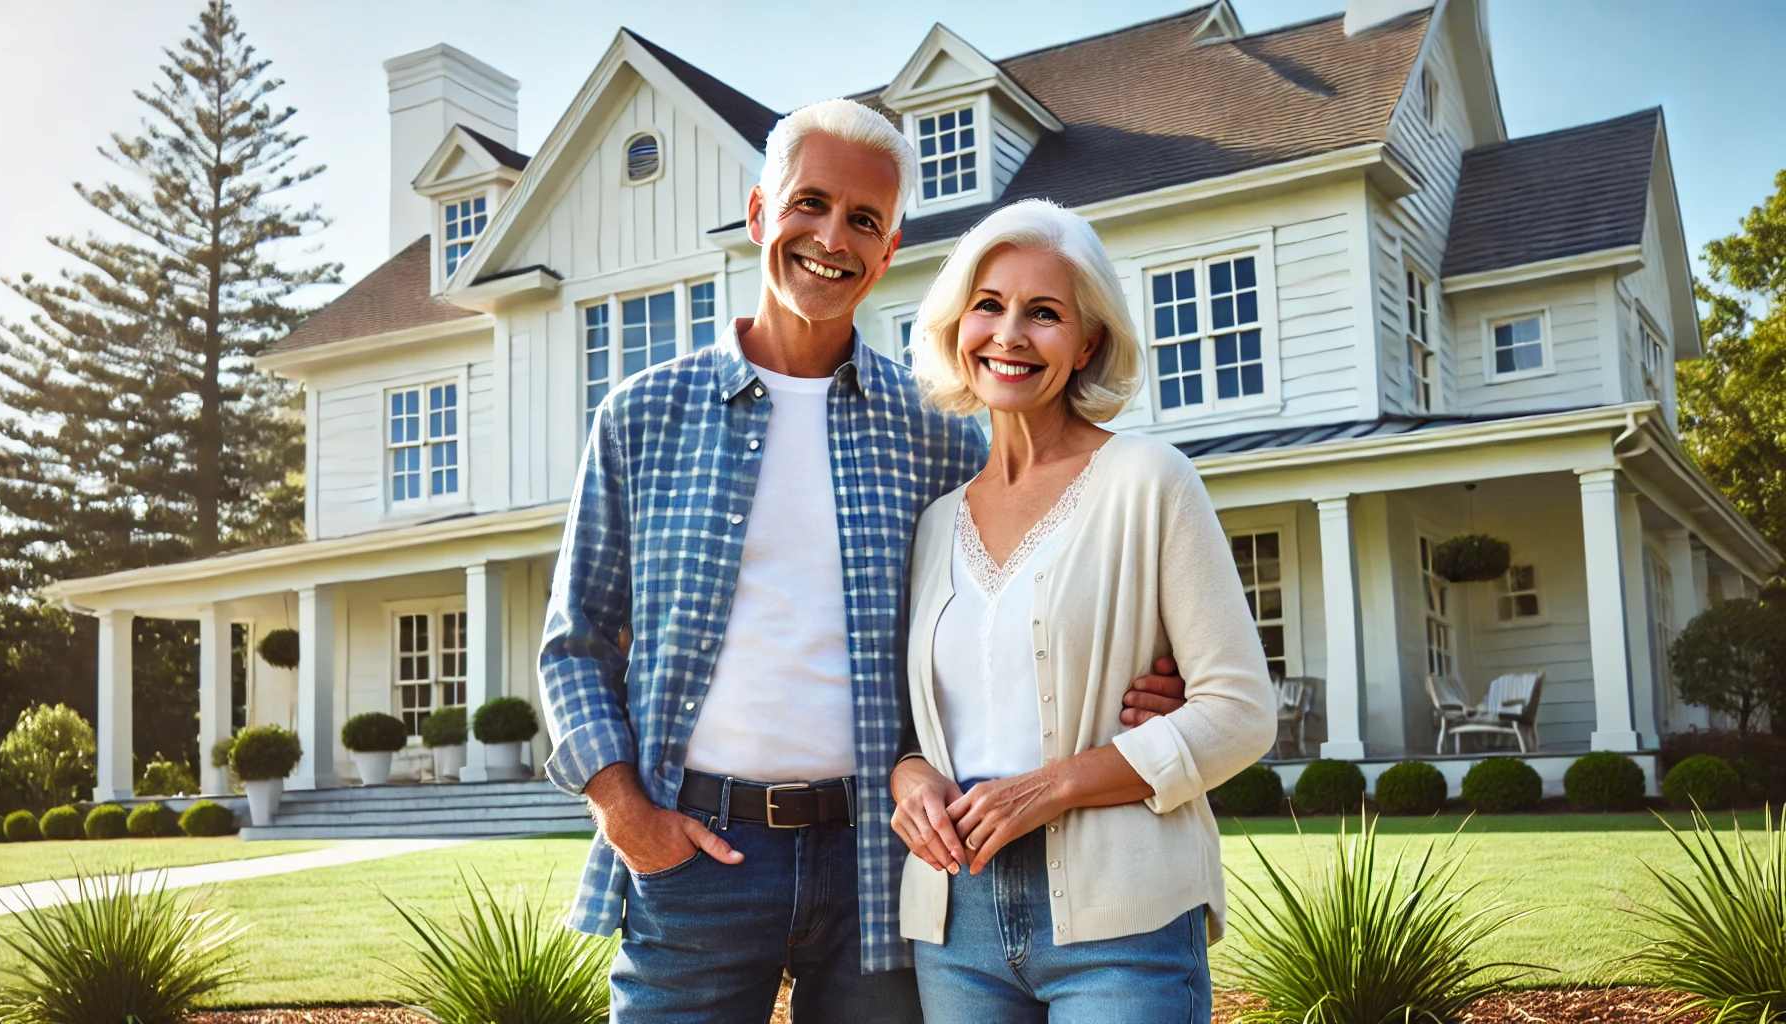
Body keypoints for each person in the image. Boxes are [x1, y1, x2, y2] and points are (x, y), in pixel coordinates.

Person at [538, 101, 1188, 1024]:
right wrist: (626, 815)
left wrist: (1145, 683)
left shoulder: (937, 430)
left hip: (885, 861)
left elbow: (1010, 593)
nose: (831, 237)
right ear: (760, 213)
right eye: (810, 204)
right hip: (696, 853)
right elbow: (576, 643)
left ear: (887, 255)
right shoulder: (643, 416)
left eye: (864, 221)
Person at [890, 200, 1278, 1024]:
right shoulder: (933, 525)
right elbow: (925, 727)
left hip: (1122, 918)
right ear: (959, 324)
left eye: (1044, 314)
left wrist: (1055, 787)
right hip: (953, 923)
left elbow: (1241, 713)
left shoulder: (1150, 481)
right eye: (989, 306)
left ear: (1088, 342)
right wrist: (910, 773)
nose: (1010, 335)